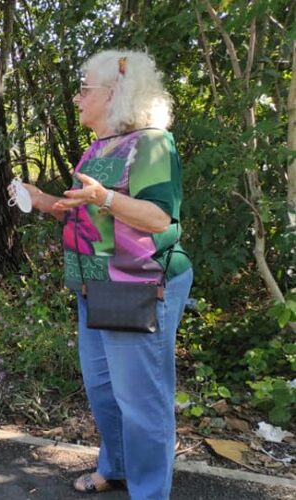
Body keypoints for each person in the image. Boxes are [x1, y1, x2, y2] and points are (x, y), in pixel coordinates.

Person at [13, 51, 192, 498]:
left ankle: (149, 491)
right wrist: (42, 200)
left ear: (114, 94)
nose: (77, 98)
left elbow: (157, 218)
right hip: (94, 286)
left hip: (138, 287)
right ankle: (116, 467)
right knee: (104, 391)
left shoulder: (151, 143)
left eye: (84, 89)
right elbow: (89, 213)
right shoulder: (98, 148)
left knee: (142, 400)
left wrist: (104, 198)